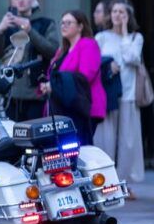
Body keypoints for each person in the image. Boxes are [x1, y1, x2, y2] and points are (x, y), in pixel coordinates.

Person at [94, 0, 145, 195]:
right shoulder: (101, 37)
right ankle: (106, 182)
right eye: (115, 11)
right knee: (106, 139)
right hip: (108, 94)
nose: (117, 15)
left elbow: (133, 58)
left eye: (122, 12)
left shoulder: (135, 37)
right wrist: (108, 66)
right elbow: (95, 63)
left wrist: (124, 33)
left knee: (127, 142)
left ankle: (123, 183)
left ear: (128, 16)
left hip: (128, 95)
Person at [0, 0, 58, 122]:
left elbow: (51, 51)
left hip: (36, 95)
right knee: (12, 134)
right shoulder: (7, 26)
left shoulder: (46, 23)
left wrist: (29, 30)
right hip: (10, 95)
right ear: (12, 2)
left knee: (34, 134)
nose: (21, 0)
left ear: (32, 0)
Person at [39, 10, 106, 146]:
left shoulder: (88, 44)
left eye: (68, 23)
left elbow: (86, 76)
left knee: (79, 150)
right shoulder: (62, 50)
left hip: (83, 107)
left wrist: (55, 86)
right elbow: (53, 75)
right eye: (62, 23)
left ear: (80, 26)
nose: (64, 26)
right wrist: (46, 85)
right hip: (63, 109)